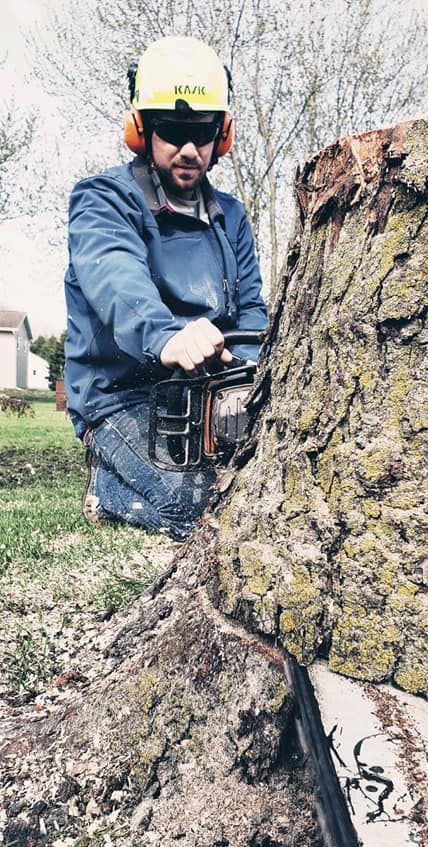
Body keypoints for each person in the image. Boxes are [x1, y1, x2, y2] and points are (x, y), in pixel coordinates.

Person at [64, 36, 267, 541]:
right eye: (172, 132)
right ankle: (107, 486)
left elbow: (251, 313)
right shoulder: (103, 200)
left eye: (201, 134)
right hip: (123, 398)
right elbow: (114, 276)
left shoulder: (231, 217)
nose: (188, 150)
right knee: (196, 507)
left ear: (221, 136)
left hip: (208, 394)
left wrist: (252, 367)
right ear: (142, 131)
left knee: (261, 480)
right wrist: (164, 336)